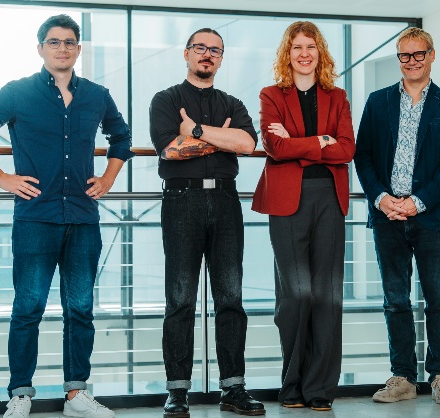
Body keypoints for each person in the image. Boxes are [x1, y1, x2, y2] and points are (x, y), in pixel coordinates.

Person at [0, 14, 131, 418]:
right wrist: (1, 177)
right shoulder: (18, 93)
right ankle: (20, 393)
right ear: (40, 49)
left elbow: (121, 138)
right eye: (54, 42)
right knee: (28, 307)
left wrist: (108, 178)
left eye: (69, 42)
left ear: (78, 49)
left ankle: (76, 395)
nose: (62, 48)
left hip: (83, 217)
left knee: (80, 309)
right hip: (35, 216)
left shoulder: (97, 95)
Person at [149, 28, 265, 417]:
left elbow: (247, 144)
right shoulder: (165, 99)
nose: (207, 54)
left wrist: (196, 131)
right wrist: (222, 138)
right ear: (186, 54)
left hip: (226, 201)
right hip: (181, 201)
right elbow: (169, 150)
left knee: (230, 297)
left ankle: (233, 389)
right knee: (180, 298)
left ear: (221, 58)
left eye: (215, 50)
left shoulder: (233, 102)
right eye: (200, 48)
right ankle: (177, 391)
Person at [353, 27, 440, 405]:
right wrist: (381, 198)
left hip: (431, 216)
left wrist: (419, 201)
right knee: (395, 299)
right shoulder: (378, 101)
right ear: (398, 58)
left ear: (431, 55)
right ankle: (402, 377)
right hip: (387, 215)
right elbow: (363, 156)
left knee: (438, 298)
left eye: (419, 54)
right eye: (405, 55)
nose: (412, 61)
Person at [251, 21, 355, 412]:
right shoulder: (271, 95)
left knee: (327, 295)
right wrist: (321, 142)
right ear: (287, 53)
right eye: (297, 47)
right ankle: (291, 384)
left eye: (310, 46)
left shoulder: (337, 97)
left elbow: (346, 149)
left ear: (320, 52)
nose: (304, 53)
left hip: (329, 198)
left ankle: (319, 389)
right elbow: (274, 147)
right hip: (286, 201)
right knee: (296, 295)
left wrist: (299, 144)